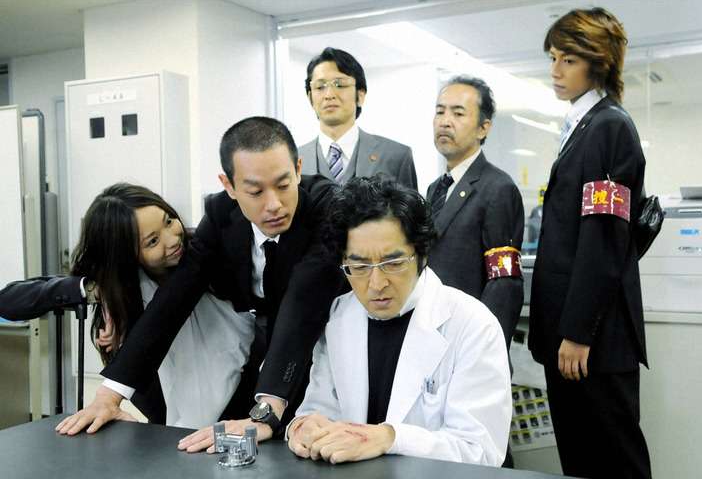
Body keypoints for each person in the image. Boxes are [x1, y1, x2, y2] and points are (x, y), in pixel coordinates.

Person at [53, 117, 346, 453]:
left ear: (298, 169)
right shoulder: (221, 213)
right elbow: (175, 297)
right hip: (259, 346)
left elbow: (304, 299)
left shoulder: (326, 205)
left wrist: (267, 411)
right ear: (230, 186)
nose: (274, 204)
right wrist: (109, 396)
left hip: (324, 343)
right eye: (255, 191)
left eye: (283, 184)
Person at [287, 176, 511, 466]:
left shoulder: (473, 325)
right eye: (359, 266)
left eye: (393, 263)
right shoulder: (339, 317)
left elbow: (480, 451)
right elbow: (320, 408)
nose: (376, 283)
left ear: (421, 254)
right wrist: (303, 427)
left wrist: (391, 438)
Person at [0, 183, 254, 428]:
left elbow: (173, 300)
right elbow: (8, 300)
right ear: (125, 254)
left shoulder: (205, 252)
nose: (172, 240)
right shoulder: (124, 290)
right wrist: (95, 290)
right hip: (166, 430)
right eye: (152, 241)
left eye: (168, 221)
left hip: (242, 412)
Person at [528, 8, 651, 479]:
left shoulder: (608, 127)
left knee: (615, 461)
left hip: (590, 339)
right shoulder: (582, 125)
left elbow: (603, 238)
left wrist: (578, 332)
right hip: (570, 334)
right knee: (580, 460)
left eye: (569, 60)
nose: (555, 70)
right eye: (553, 58)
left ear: (598, 63)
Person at [427, 76, 524, 350]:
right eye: (440, 112)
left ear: (483, 128)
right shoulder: (436, 188)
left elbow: (504, 283)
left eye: (458, 113)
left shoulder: (498, 188)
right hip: (434, 335)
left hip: (470, 341)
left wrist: (486, 348)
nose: (445, 121)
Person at [298, 47, 417, 190]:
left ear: (360, 95)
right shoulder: (293, 160)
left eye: (340, 85)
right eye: (320, 87)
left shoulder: (396, 156)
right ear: (310, 98)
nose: (329, 95)